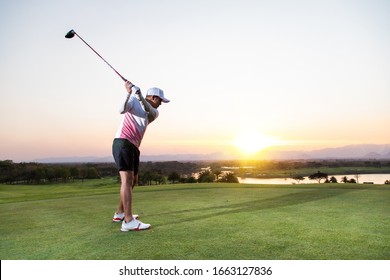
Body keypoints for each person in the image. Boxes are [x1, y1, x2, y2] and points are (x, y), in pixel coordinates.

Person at [112, 81, 170, 231]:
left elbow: (147, 108)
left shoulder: (154, 112)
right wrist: (129, 93)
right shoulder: (133, 100)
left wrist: (139, 95)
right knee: (127, 180)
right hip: (123, 142)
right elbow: (120, 110)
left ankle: (120, 213)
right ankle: (128, 221)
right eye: (160, 100)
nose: (161, 104)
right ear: (153, 97)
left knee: (133, 181)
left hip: (134, 146)